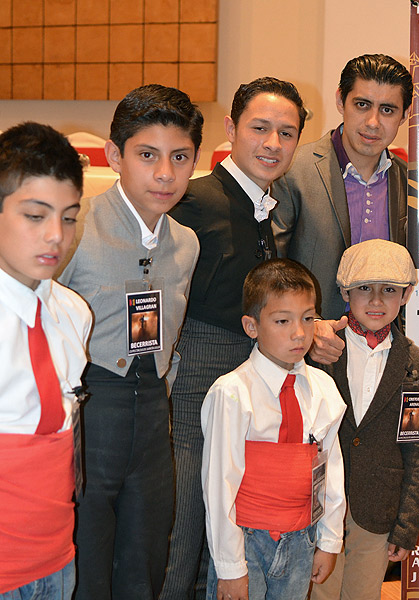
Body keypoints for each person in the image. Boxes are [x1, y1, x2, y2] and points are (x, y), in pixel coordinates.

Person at [160, 77, 306, 599]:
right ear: (231, 128)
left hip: (244, 387)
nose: (272, 143)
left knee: (226, 536)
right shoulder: (195, 201)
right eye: (259, 128)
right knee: (183, 532)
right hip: (195, 384)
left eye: (286, 133)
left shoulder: (267, 206)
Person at [57, 84, 202, 600]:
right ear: (115, 156)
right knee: (86, 558)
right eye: (147, 155)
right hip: (89, 410)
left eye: (180, 157)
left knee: (146, 557)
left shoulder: (186, 243)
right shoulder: (75, 228)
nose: (165, 173)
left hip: (153, 413)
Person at [201, 258, 346, 600]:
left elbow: (331, 471)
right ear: (251, 326)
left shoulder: (323, 389)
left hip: (301, 540)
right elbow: (219, 484)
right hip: (247, 541)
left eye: (308, 318)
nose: (299, 333)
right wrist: (230, 568)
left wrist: (328, 540)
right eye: (283, 320)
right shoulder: (232, 392)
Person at [0, 122, 92, 599]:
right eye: (35, 216)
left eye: (69, 217)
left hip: (57, 560)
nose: (56, 235)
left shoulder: (72, 313)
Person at [310, 239, 419, 600]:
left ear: (406, 295)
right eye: (364, 288)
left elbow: (415, 448)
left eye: (389, 290)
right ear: (345, 292)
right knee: (319, 592)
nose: (376, 300)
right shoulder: (323, 348)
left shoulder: (415, 365)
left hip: (378, 508)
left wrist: (407, 525)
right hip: (318, 504)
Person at [272, 54, 413, 321]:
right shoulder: (293, 171)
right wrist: (310, 325)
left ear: (405, 114)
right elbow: (272, 269)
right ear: (340, 100)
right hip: (311, 337)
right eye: (362, 105)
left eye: (387, 110)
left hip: (388, 340)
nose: (373, 122)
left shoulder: (412, 184)